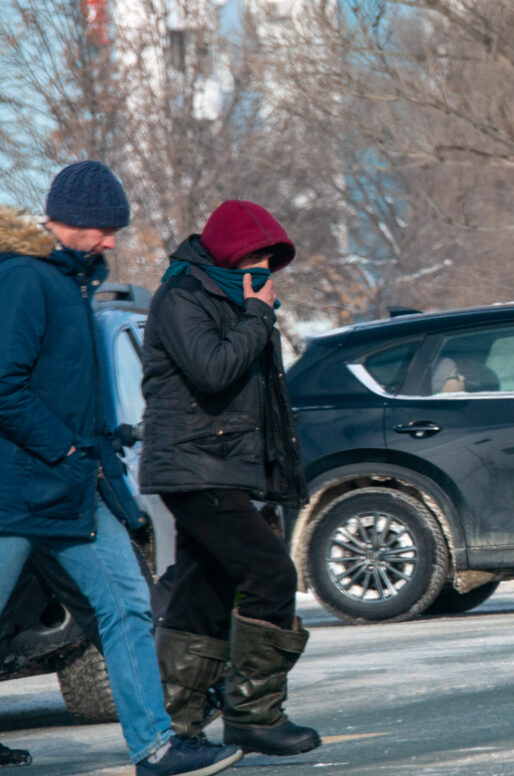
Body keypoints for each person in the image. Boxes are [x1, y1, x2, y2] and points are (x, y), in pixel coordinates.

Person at [0, 164, 242, 776]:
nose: (112, 242)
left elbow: (79, 398)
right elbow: (3, 385)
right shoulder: (27, 280)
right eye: (105, 229)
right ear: (70, 220)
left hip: (73, 493)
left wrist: (97, 465)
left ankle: (156, 747)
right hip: (18, 493)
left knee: (129, 607)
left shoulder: (73, 285)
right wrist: (64, 449)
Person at [141, 200, 320, 757]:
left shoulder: (226, 298)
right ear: (233, 255)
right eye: (259, 261)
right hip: (195, 468)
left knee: (205, 589)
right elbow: (214, 371)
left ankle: (179, 724)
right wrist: (258, 316)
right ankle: (252, 715)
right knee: (269, 574)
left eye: (272, 265)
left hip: (216, 466)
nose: (265, 275)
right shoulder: (183, 297)